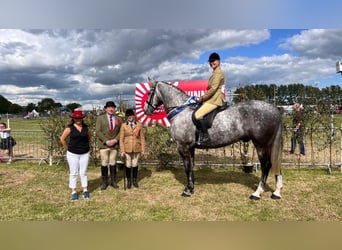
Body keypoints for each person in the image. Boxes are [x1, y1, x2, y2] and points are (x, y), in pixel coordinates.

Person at [60, 109, 91, 201]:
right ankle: (73, 191)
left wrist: (85, 146)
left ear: (82, 118)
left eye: (80, 118)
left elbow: (89, 138)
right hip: (72, 154)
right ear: (73, 119)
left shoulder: (86, 128)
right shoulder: (69, 128)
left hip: (85, 153)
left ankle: (85, 190)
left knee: (84, 172)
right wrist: (68, 148)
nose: (78, 120)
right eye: (76, 118)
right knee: (73, 173)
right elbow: (62, 139)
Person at [194, 52, 225, 144]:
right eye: (210, 62)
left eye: (214, 61)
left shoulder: (218, 73)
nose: (212, 63)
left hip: (215, 99)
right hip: (212, 98)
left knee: (197, 115)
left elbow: (214, 89)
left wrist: (202, 98)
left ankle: (206, 136)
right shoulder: (215, 72)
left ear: (218, 61)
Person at [96, 101, 122, 190]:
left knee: (113, 163)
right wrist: (106, 141)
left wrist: (115, 140)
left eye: (113, 107)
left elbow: (121, 131)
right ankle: (104, 182)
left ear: (114, 109)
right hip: (104, 145)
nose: (111, 109)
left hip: (114, 146)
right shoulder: (100, 118)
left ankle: (113, 181)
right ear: (106, 109)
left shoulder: (118, 119)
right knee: (104, 163)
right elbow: (98, 131)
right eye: (109, 107)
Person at [120, 108, 145, 189]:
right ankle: (129, 181)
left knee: (135, 164)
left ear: (134, 115)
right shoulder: (124, 125)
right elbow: (121, 139)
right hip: (127, 148)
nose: (129, 117)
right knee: (128, 165)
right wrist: (122, 150)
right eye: (128, 115)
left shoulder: (139, 125)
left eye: (131, 115)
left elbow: (142, 138)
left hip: (137, 147)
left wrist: (143, 149)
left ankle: (134, 180)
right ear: (126, 117)